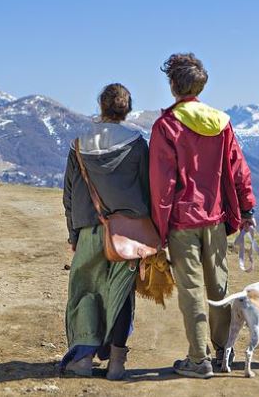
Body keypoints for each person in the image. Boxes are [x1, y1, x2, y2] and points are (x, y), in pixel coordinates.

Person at [149, 53, 257, 379]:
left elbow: (162, 185)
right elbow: (238, 170)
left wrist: (159, 230)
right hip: (216, 219)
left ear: (172, 85)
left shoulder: (167, 126)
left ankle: (199, 360)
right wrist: (248, 208)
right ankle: (224, 350)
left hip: (182, 223)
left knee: (192, 291)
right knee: (219, 287)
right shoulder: (221, 123)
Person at [60, 83, 149, 380]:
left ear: (101, 107)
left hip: (89, 229)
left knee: (86, 291)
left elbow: (70, 193)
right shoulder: (137, 144)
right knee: (121, 295)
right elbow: (148, 190)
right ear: (128, 109)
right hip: (129, 233)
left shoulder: (80, 144)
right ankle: (116, 363)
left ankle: (83, 360)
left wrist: (74, 234)